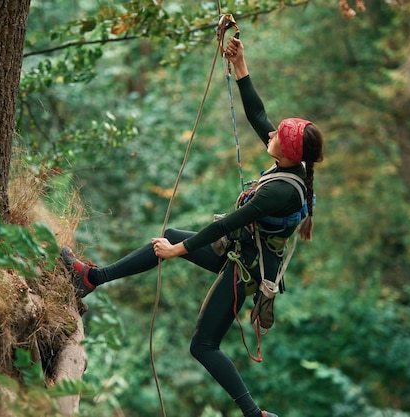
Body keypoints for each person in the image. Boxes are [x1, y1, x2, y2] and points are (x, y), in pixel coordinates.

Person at [61, 36, 325, 417]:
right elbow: (257, 114)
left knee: (202, 346)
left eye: (276, 137)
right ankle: (90, 279)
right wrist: (240, 63)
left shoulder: (281, 190)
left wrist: (178, 252)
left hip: (246, 268)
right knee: (166, 238)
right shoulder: (292, 165)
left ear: (286, 151)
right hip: (242, 251)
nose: (269, 134)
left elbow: (227, 224)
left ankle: (254, 414)